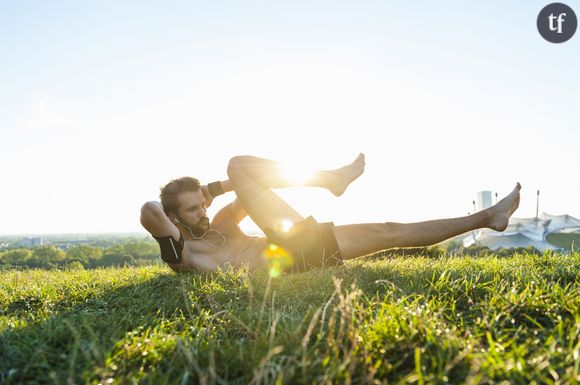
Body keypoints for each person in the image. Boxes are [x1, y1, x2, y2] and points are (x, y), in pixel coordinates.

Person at [140, 154, 521, 274]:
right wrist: (211, 187)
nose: (204, 211)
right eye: (193, 209)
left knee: (391, 231)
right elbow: (149, 210)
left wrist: (215, 192)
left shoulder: (221, 222)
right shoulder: (184, 254)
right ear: (174, 219)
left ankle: (488, 217)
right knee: (238, 164)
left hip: (298, 248)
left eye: (203, 203)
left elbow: (255, 188)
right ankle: (330, 181)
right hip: (294, 260)